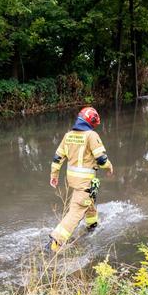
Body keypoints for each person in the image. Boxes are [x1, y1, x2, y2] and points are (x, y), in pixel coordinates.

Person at [47, 107, 114, 252]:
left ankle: (92, 226)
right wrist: (109, 167)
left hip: (74, 182)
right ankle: (55, 242)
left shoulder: (68, 136)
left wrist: (54, 175)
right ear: (92, 122)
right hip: (85, 183)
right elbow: (102, 159)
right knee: (76, 211)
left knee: (88, 202)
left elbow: (57, 158)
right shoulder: (91, 135)